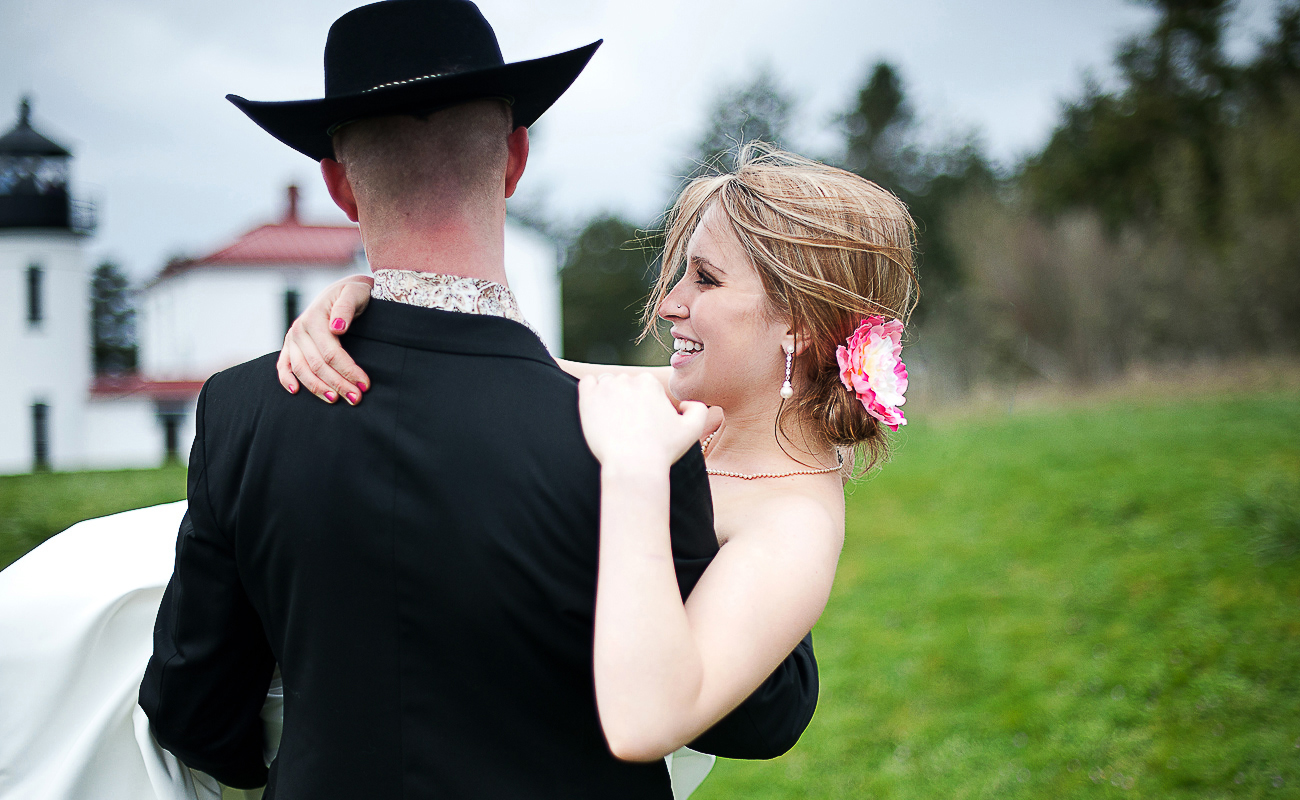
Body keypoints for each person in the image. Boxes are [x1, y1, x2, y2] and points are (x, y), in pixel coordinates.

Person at [0, 2, 819, 799]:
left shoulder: (240, 411)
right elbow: (753, 717)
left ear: (338, 187)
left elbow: (197, 714)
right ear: (515, 159)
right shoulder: (633, 437)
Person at [280, 143, 919, 779]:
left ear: (799, 324)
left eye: (705, 278)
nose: (670, 303)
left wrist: (635, 474)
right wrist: (373, 306)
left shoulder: (795, 524)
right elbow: (523, 371)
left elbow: (647, 722)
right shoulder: (706, 408)